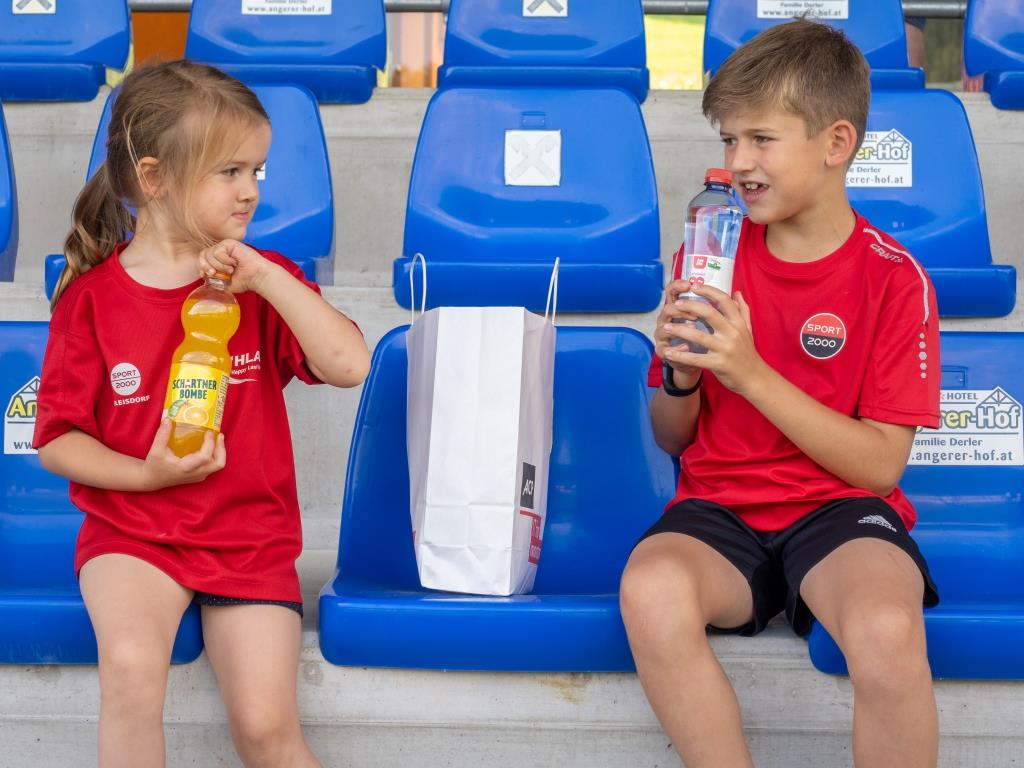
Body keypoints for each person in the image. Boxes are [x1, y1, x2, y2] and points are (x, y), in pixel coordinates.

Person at [620, 20, 941, 768]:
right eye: (730, 140)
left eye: (762, 140)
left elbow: (879, 467)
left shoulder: (895, 279)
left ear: (836, 143)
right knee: (651, 590)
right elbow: (672, 436)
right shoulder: (709, 253)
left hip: (839, 513)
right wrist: (683, 375)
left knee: (887, 628)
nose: (738, 163)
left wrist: (751, 372)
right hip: (720, 508)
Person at [34, 60, 370, 768]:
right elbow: (59, 440)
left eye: (257, 171)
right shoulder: (91, 299)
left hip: (248, 539)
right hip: (134, 534)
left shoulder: (261, 282)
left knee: (266, 728)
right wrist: (147, 475)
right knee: (131, 670)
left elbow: (350, 365)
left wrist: (268, 277)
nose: (251, 190)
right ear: (154, 178)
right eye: (230, 172)